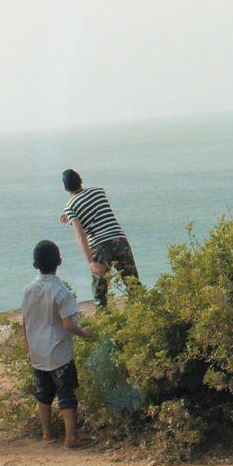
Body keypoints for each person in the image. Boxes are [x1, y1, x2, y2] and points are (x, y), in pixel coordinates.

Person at [21, 240, 95, 449]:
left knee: (43, 394)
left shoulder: (29, 290)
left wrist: (29, 348)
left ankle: (47, 432)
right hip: (59, 352)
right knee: (66, 394)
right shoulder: (61, 292)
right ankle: (71, 437)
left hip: (38, 352)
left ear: (35, 265)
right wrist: (85, 333)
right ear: (60, 261)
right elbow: (67, 324)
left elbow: (25, 321)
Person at [59, 169, 139, 307]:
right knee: (133, 283)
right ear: (80, 180)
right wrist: (70, 214)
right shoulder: (98, 191)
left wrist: (91, 262)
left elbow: (80, 235)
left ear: (65, 187)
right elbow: (91, 206)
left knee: (100, 290)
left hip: (100, 246)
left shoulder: (70, 206)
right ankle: (140, 314)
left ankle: (105, 318)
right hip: (119, 239)